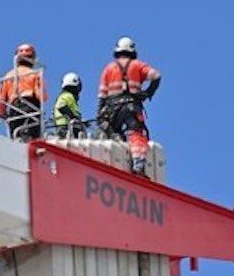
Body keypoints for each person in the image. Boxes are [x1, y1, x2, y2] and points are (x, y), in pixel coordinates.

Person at [97, 36, 161, 176]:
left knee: (113, 135)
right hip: (131, 108)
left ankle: (111, 167)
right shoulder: (137, 65)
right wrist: (148, 92)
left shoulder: (109, 68)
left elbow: (102, 95)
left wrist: (100, 116)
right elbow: (156, 76)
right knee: (138, 135)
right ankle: (138, 166)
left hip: (112, 110)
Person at [0, 43, 46, 141]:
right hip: (31, 108)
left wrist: (3, 114)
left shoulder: (8, 76)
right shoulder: (35, 75)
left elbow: (1, 100)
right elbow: (42, 96)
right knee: (31, 140)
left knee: (16, 138)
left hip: (13, 110)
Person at [53, 72, 84, 138]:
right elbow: (61, 106)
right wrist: (72, 116)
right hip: (66, 128)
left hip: (69, 127)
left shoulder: (69, 97)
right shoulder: (67, 96)